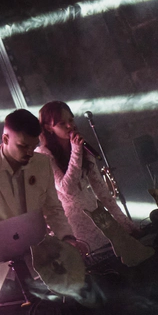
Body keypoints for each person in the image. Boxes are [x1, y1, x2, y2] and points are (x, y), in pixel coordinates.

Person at [0, 109, 82, 299]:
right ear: (5, 138)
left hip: (39, 259)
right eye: (23, 146)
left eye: (33, 145)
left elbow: (53, 209)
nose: (30, 152)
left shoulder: (42, 163)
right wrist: (11, 238)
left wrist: (67, 238)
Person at [37, 101, 140, 252]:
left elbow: (101, 190)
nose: (70, 126)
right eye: (62, 123)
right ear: (48, 128)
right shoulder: (43, 155)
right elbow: (66, 188)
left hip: (97, 216)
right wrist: (76, 151)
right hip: (74, 224)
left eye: (71, 120)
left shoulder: (82, 148)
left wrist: (124, 221)